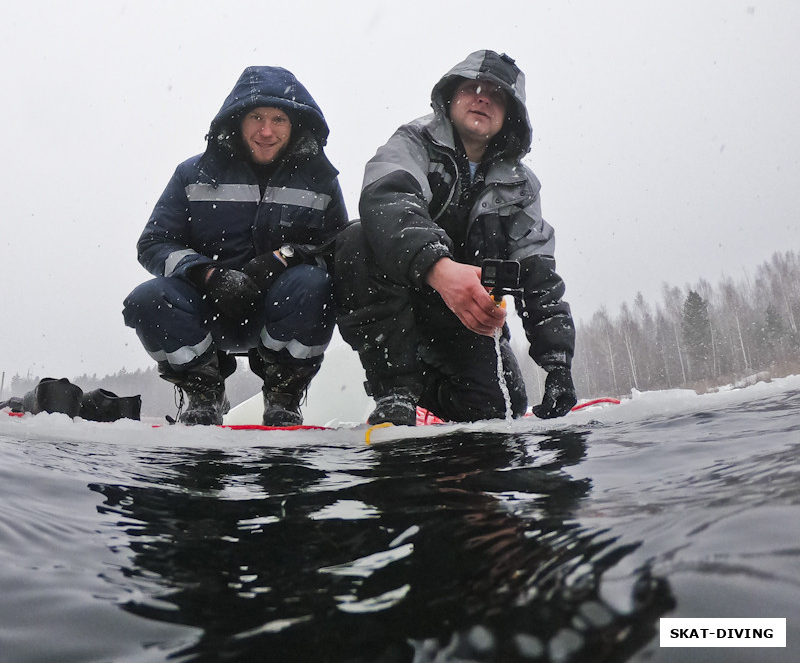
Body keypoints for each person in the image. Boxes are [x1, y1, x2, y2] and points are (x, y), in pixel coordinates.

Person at [334, 50, 576, 426]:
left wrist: (557, 363)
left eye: (496, 95)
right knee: (359, 238)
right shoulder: (412, 142)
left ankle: (422, 377)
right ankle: (394, 387)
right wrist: (439, 268)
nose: (483, 98)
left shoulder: (521, 186)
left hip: (463, 317)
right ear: (450, 98)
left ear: (510, 114)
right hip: (400, 297)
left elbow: (537, 270)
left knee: (501, 407)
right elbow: (386, 198)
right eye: (471, 89)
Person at [123, 66, 348, 426]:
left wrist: (285, 258)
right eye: (256, 117)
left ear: (296, 126)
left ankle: (283, 395)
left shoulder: (320, 181)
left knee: (316, 284)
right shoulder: (191, 174)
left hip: (283, 312)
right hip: (203, 309)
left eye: (279, 119)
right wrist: (207, 274)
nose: (266, 131)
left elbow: (338, 247)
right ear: (237, 121)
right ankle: (204, 391)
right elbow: (153, 242)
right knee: (148, 299)